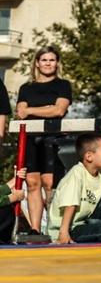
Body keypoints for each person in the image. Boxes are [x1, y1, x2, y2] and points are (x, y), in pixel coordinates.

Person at [16, 46, 72, 236]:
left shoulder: (63, 85)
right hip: (30, 140)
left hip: (53, 139)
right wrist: (45, 108)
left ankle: (54, 228)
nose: (48, 63)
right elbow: (21, 113)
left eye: (52, 60)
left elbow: (58, 111)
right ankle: (35, 229)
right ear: (37, 63)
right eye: (44, 60)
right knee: (32, 183)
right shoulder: (26, 88)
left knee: (50, 184)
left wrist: (32, 110)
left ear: (57, 63)